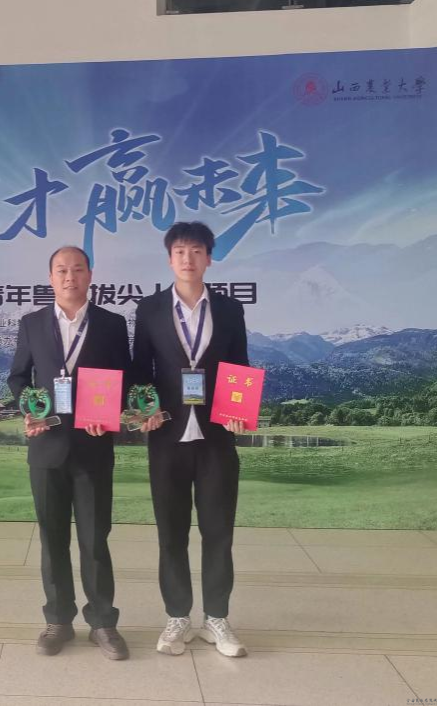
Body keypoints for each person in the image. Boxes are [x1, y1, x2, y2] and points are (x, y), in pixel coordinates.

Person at [7, 245, 131, 660]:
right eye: (61, 270)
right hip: (47, 447)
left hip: (94, 446)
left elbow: (124, 378)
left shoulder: (112, 324)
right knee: (52, 538)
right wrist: (28, 407)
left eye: (77, 269)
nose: (69, 277)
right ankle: (58, 620)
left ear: (89, 275)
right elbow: (18, 377)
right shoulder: (32, 324)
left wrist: (110, 414)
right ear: (50, 278)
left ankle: (103, 623)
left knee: (95, 539)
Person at [132, 221, 249, 658]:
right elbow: (140, 369)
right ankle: (177, 616)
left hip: (217, 437)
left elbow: (239, 366)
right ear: (169, 259)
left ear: (209, 258)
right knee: (171, 533)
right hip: (167, 436)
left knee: (219, 532)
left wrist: (240, 411)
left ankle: (217, 618)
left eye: (196, 251)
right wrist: (142, 409)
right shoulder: (149, 309)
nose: (188, 258)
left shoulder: (230, 309)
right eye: (180, 251)